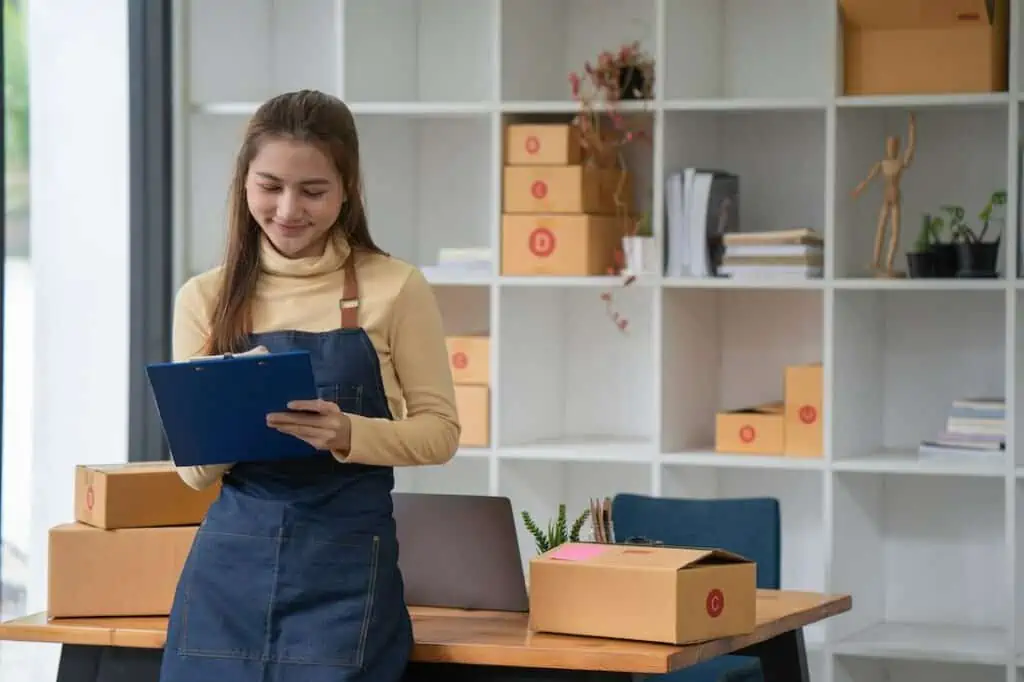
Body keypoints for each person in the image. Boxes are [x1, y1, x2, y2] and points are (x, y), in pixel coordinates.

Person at [159, 89, 461, 682]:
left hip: (345, 572)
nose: (289, 209)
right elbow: (191, 473)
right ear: (244, 183)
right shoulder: (204, 298)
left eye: (313, 191)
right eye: (269, 186)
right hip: (229, 572)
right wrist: (227, 410)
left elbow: (441, 434)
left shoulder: (395, 288)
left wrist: (350, 433)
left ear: (347, 190)